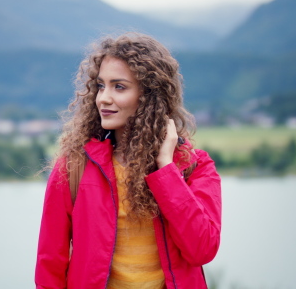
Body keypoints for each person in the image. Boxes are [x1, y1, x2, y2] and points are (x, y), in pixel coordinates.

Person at [35, 33, 221, 289]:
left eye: (119, 86)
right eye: (101, 85)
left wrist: (166, 168)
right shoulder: (74, 166)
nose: (103, 98)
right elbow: (50, 264)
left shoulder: (194, 166)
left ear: (149, 96)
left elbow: (202, 250)